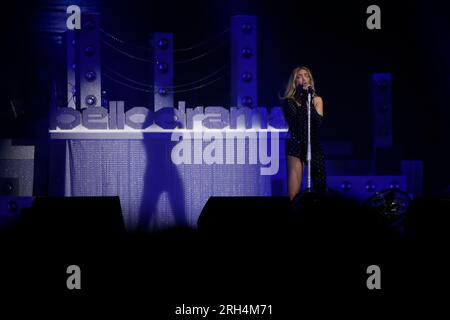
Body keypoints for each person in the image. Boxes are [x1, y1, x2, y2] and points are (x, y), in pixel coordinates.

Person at [281, 66, 327, 201]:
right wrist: (303, 99)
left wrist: (309, 102)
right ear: (294, 82)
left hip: (313, 144)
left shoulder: (317, 100)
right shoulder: (289, 102)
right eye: (299, 76)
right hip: (296, 143)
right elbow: (298, 122)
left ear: (310, 79)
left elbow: (318, 123)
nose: (303, 79)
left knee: (320, 186)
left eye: (306, 75)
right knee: (293, 193)